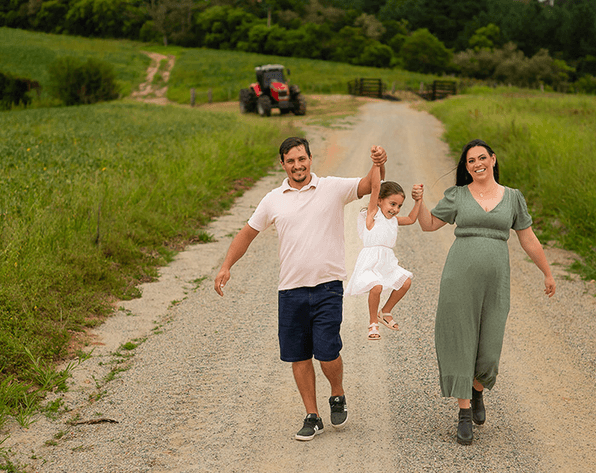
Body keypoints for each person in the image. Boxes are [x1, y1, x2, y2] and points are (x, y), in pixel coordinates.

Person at [214, 136, 387, 441]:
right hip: (291, 291)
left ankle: (337, 393)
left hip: (328, 287)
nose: (297, 165)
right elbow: (247, 233)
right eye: (290, 161)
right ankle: (313, 415)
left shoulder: (331, 188)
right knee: (298, 356)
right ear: (283, 164)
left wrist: (378, 164)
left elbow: (370, 184)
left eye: (302, 159)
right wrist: (227, 265)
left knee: (327, 351)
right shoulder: (273, 199)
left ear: (310, 159)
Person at [413, 139, 555, 445]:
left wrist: (547, 272)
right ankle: (464, 412)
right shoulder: (457, 196)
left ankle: (478, 389)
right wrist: (419, 202)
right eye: (470, 161)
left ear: (493, 159)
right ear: (466, 168)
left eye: (481, 158)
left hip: (496, 280)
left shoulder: (513, 198)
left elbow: (528, 238)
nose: (477, 164)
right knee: (461, 339)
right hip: (458, 277)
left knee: (489, 346)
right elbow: (428, 225)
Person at [344, 163, 422, 337]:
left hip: (387, 261)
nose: (395, 209)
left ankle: (385, 312)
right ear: (379, 200)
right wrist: (378, 163)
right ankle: (373, 323)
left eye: (399, 206)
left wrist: (418, 201)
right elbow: (376, 185)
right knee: (377, 287)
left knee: (405, 282)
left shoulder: (393, 219)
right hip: (370, 261)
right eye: (392, 204)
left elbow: (410, 219)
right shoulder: (373, 214)